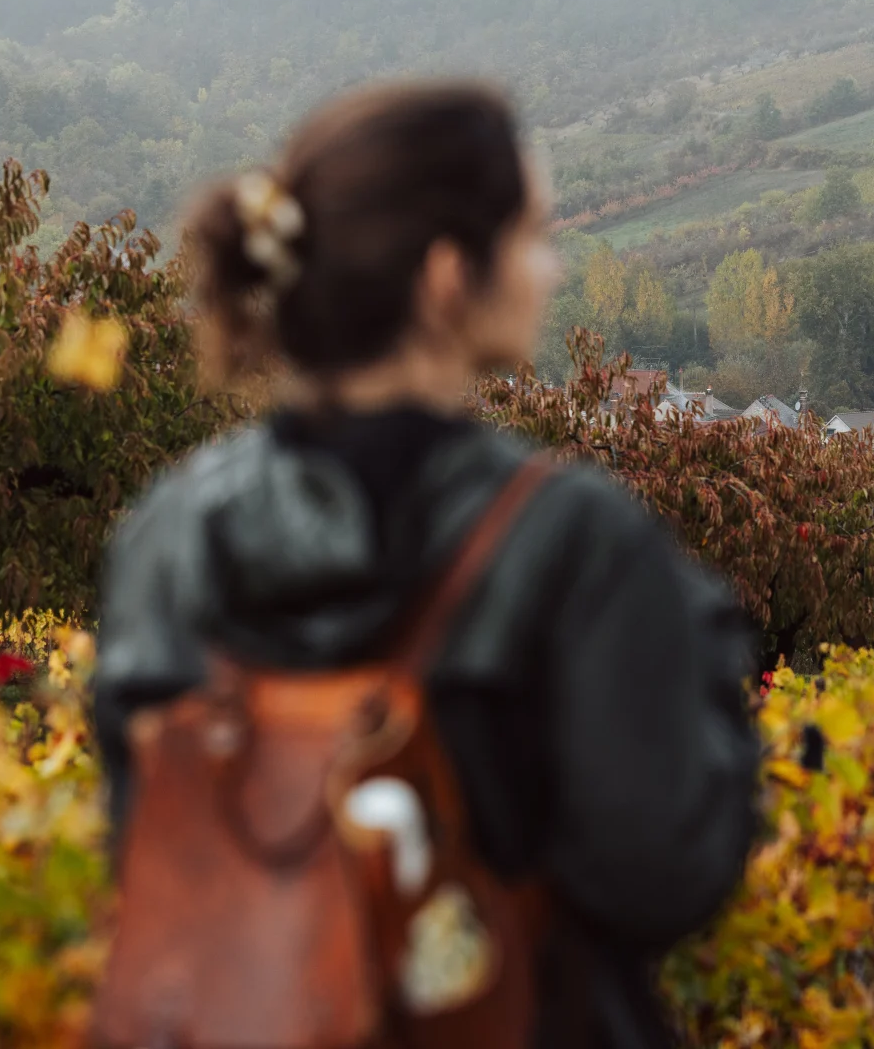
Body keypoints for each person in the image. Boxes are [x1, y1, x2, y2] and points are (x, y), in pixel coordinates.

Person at [90, 81, 761, 1047]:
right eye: (532, 234)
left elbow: (140, 845)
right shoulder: (569, 536)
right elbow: (661, 873)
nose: (553, 269)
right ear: (448, 279)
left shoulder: (168, 532)